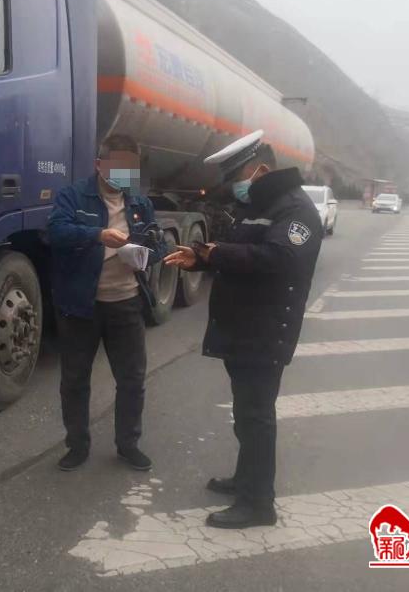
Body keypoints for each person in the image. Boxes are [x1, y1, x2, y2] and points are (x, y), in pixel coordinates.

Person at [164, 130, 322, 529]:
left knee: (256, 416)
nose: (234, 185)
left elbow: (278, 258)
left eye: (237, 175)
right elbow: (240, 252)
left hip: (265, 331)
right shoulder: (260, 205)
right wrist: (201, 258)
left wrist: (217, 253)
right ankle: (245, 479)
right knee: (245, 415)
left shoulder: (296, 210)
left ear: (261, 170)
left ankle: (258, 504)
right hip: (245, 327)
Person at [47, 134, 165, 472]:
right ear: (100, 164)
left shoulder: (140, 203)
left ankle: (128, 445)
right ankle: (77, 446)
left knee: (132, 379)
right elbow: (55, 232)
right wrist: (97, 234)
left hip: (126, 303)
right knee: (75, 380)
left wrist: (145, 254)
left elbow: (158, 245)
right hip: (81, 306)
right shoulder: (73, 196)